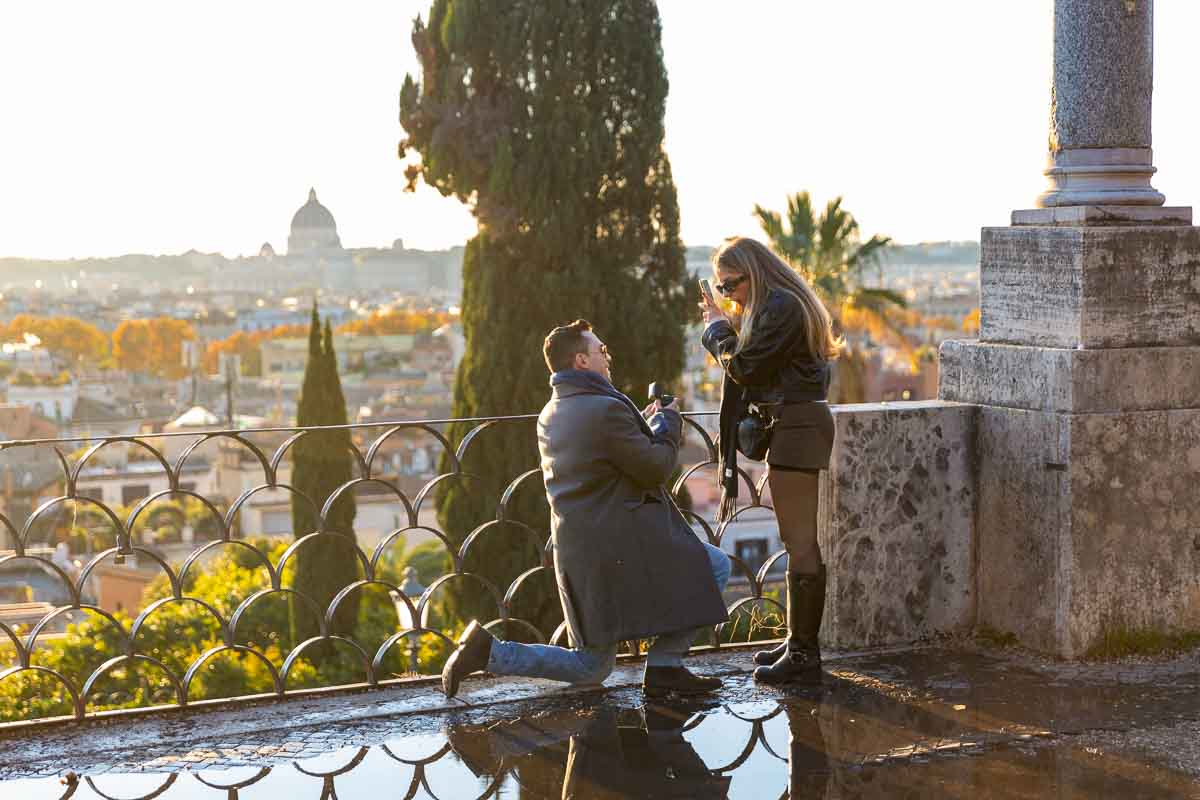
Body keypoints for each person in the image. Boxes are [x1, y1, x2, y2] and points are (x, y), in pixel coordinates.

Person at [441, 319, 731, 698]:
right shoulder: (603, 409)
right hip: (620, 546)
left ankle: (488, 651)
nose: (607, 358)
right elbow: (655, 468)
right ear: (581, 360)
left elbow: (600, 457)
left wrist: (638, 427)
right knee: (716, 565)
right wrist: (667, 421)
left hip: (581, 548)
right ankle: (665, 666)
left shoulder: (555, 409)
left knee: (591, 666)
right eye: (601, 351)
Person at [699, 236, 841, 685]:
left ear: (753, 273)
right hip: (794, 426)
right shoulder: (781, 304)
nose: (728, 295)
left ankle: (804, 653)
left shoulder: (780, 305)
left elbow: (745, 368)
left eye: (730, 285)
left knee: (800, 541)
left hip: (797, 427)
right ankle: (797, 643)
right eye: (721, 289)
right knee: (794, 537)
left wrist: (718, 331)